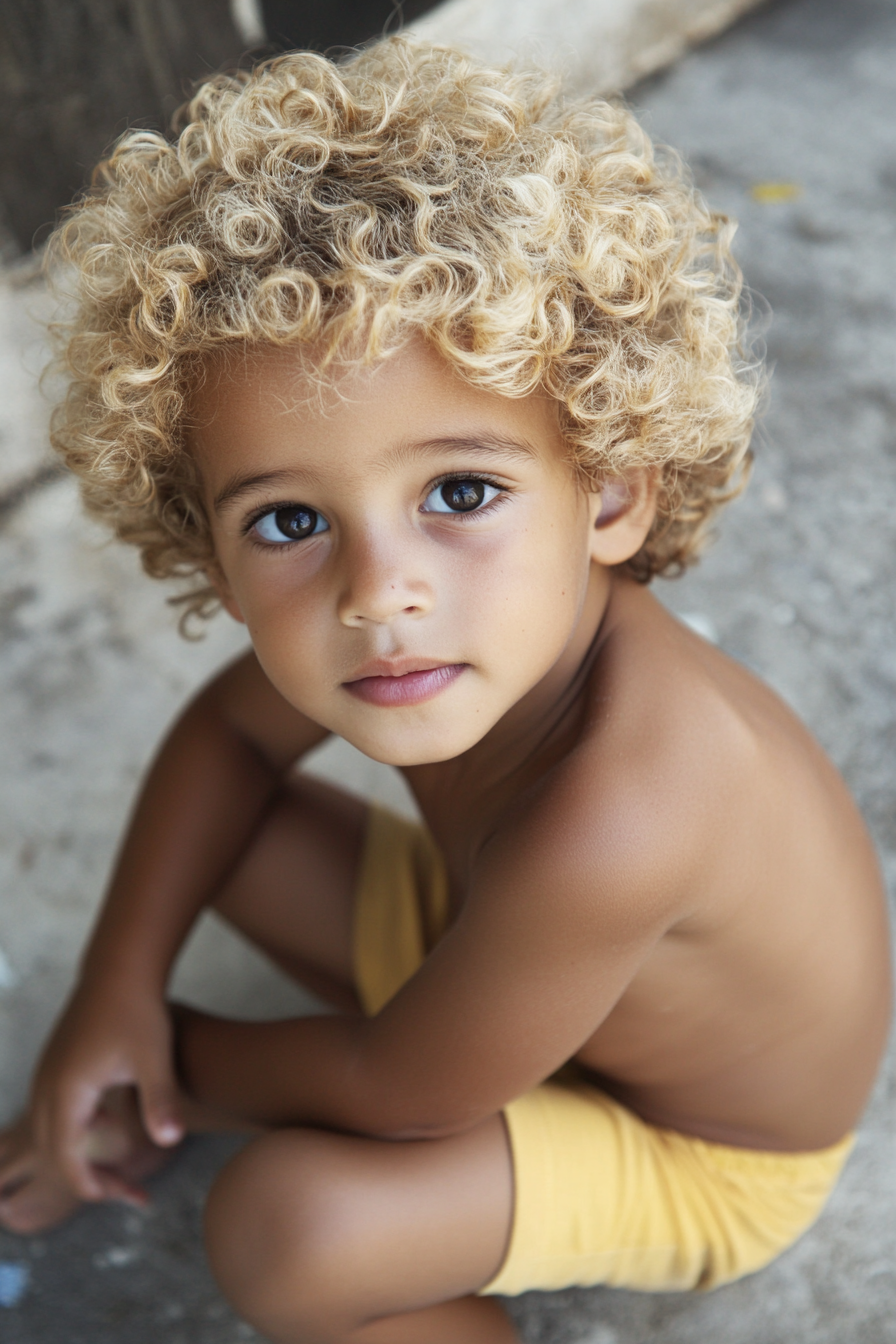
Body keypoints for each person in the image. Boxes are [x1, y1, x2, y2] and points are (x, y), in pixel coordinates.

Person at [0, 37, 890, 1344]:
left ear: (608, 491)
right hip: (508, 955)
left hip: (697, 1147)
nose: (377, 590)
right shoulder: (441, 627)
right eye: (290, 521)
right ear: (205, 539)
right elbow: (222, 743)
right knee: (220, 829)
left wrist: (151, 1068)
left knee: (287, 1227)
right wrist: (110, 993)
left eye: (460, 494)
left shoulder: (631, 809)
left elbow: (398, 1091)